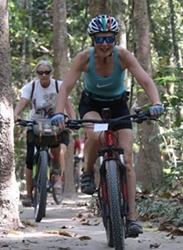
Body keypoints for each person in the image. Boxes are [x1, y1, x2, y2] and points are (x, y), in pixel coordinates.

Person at [51, 14, 164, 237]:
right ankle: (88, 170)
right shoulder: (84, 58)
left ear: (115, 39)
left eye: (109, 39)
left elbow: (145, 80)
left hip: (118, 106)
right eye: (100, 39)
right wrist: (58, 113)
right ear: (93, 39)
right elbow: (65, 87)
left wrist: (156, 102)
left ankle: (131, 218)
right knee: (94, 135)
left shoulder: (123, 56)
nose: (105, 44)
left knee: (128, 159)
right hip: (91, 103)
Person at [14, 60, 76, 207]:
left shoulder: (58, 85)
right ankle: (29, 194)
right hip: (35, 123)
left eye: (46, 72)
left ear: (50, 73)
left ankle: (57, 177)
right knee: (29, 159)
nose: (44, 75)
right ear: (37, 74)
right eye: (40, 72)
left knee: (58, 150)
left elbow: (67, 104)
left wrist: (73, 119)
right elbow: (23, 102)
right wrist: (15, 114)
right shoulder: (31, 87)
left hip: (55, 122)